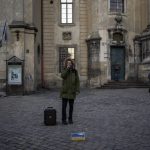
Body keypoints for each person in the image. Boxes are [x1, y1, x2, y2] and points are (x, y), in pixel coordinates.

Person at [60, 58, 80, 125]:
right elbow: (63, 76)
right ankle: (63, 120)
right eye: (68, 63)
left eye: (70, 63)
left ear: (72, 64)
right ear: (66, 64)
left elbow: (77, 81)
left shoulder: (74, 71)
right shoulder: (64, 70)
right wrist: (67, 69)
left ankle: (70, 119)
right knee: (64, 107)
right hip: (65, 91)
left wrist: (77, 90)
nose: (69, 64)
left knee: (71, 107)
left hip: (72, 91)